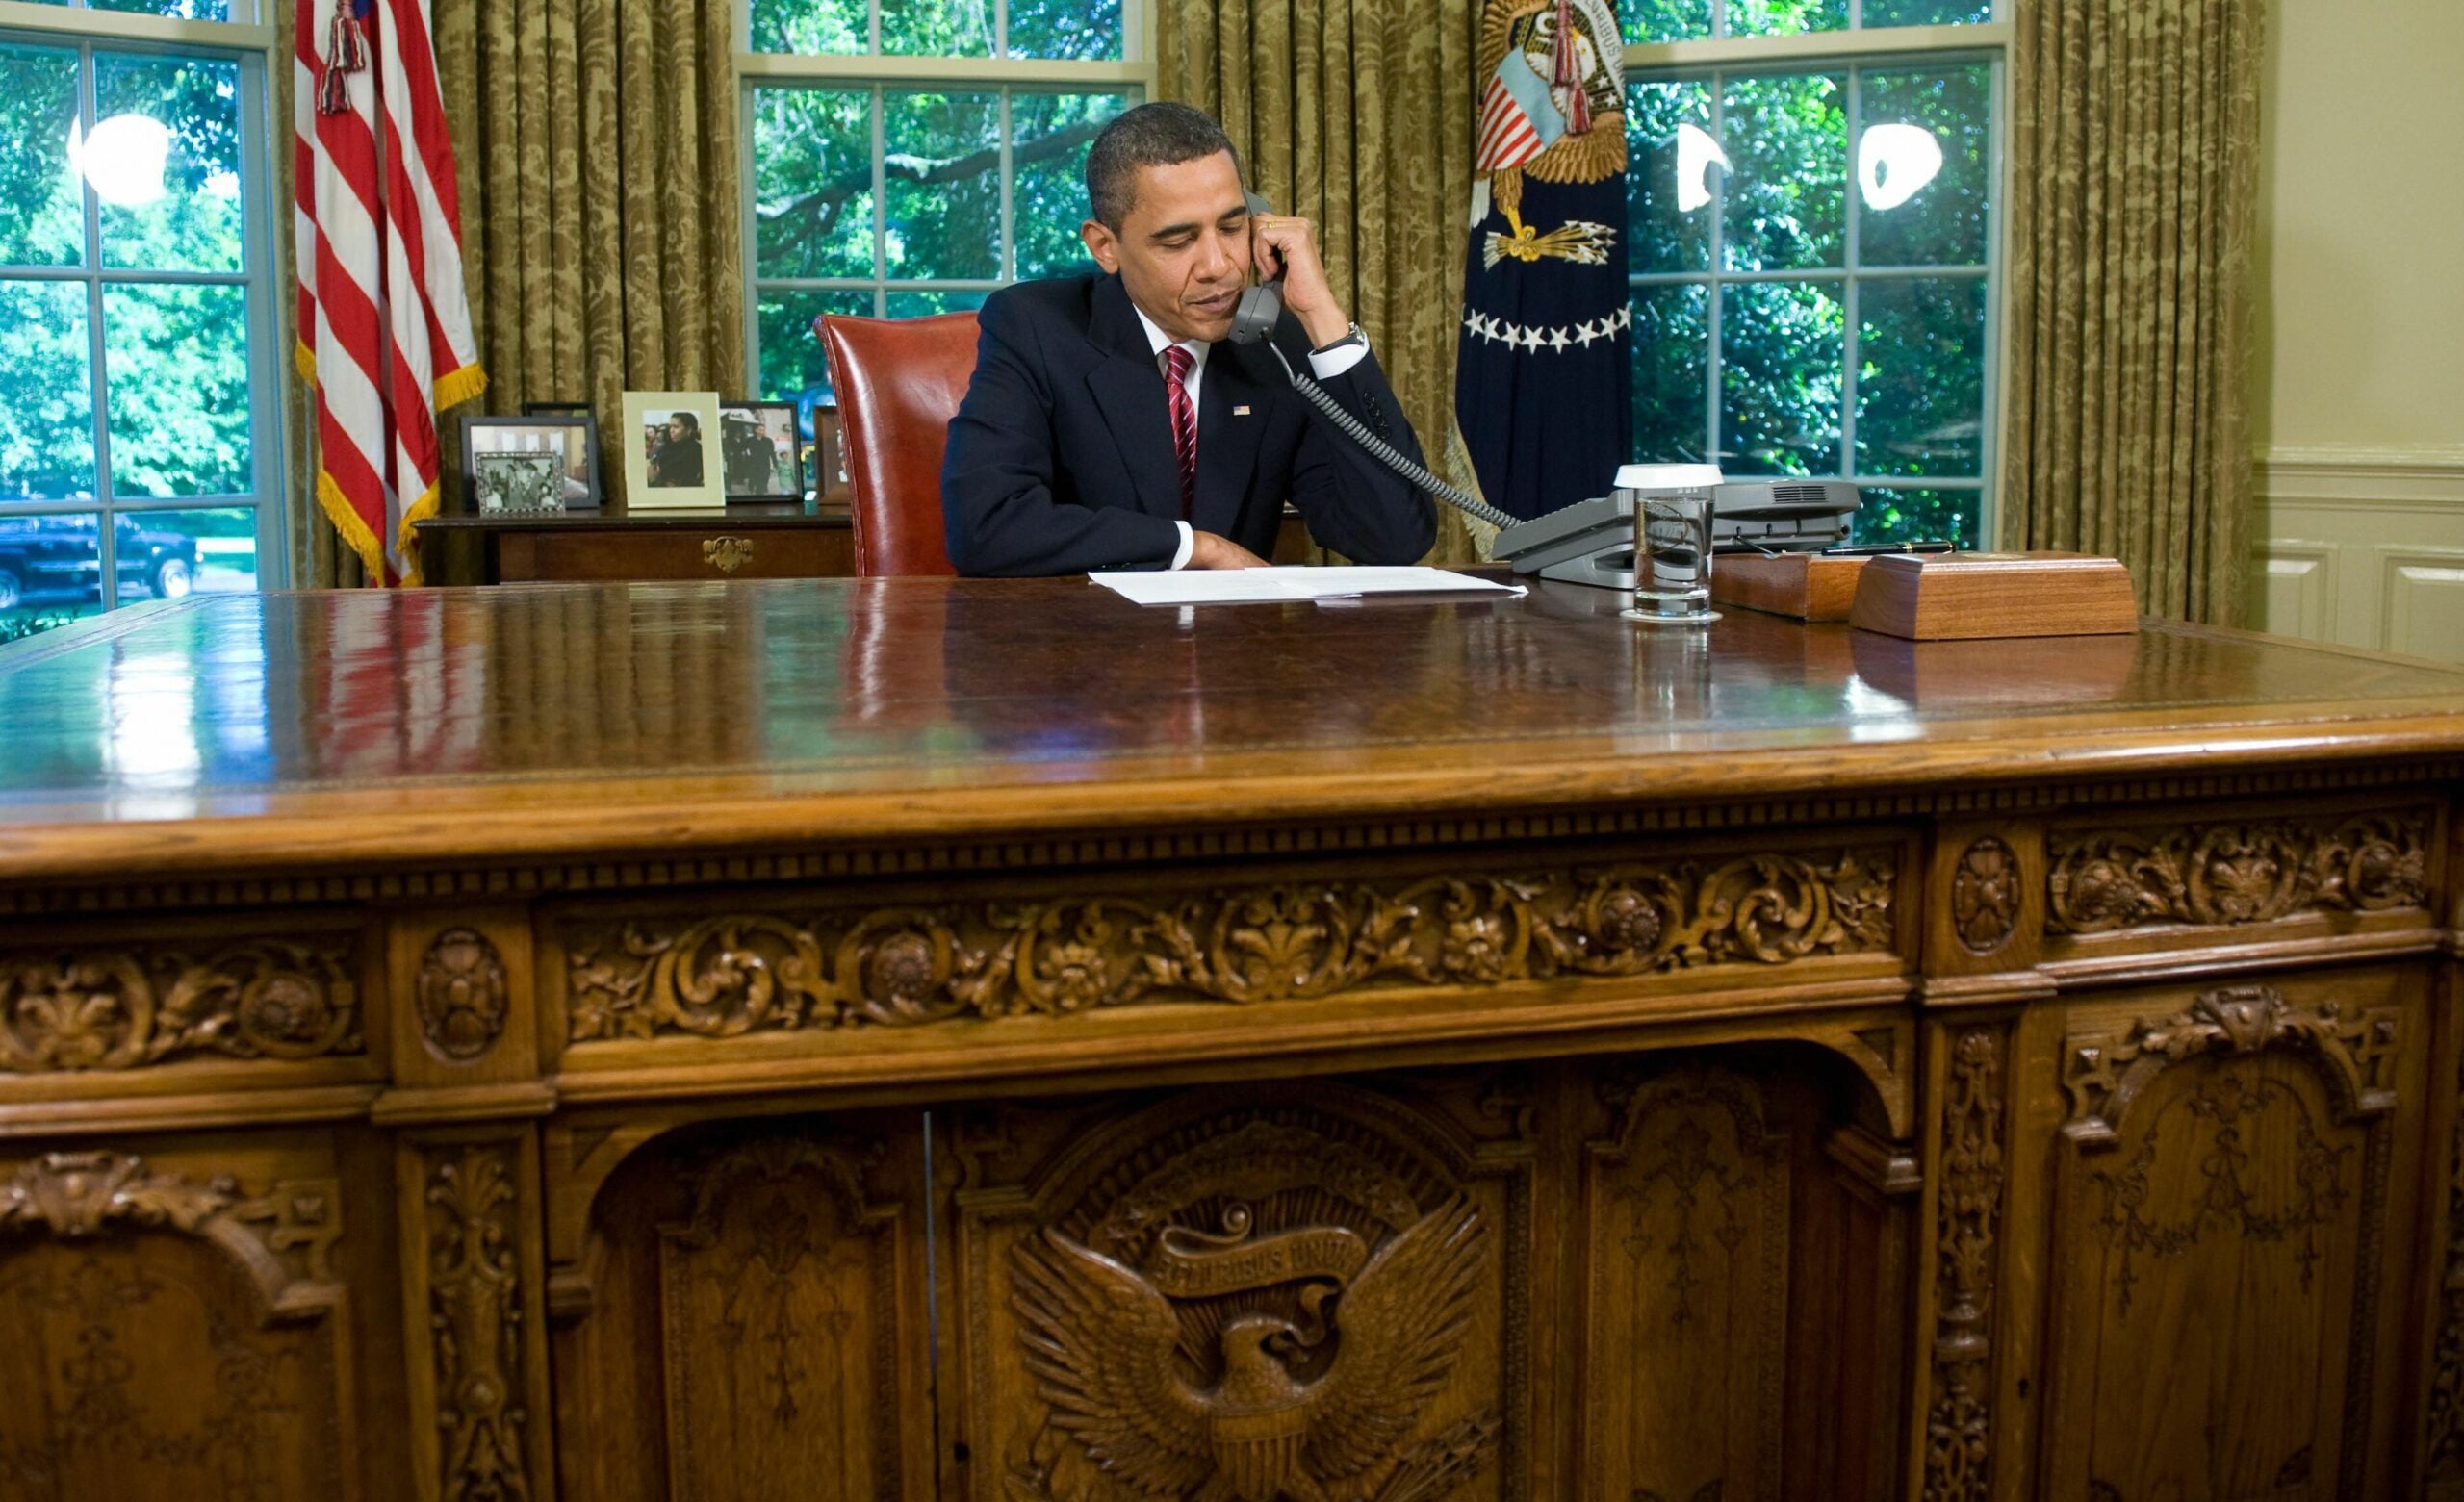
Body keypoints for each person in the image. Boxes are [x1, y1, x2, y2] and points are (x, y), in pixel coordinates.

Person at [941, 102, 1436, 575]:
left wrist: (1323, 319)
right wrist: (1194, 547)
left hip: (1233, 655)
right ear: (1105, 246)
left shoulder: (1272, 344)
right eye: (1177, 242)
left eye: (1232, 226)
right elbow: (986, 526)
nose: (1219, 267)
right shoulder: (1035, 326)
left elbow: (1393, 538)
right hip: (1086, 650)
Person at [648, 412, 704, 488]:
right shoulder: (668, 447)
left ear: (689, 429)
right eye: (670, 427)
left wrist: (654, 480)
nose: (671, 430)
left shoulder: (695, 451)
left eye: (676, 427)